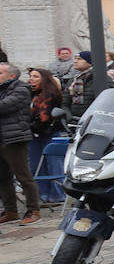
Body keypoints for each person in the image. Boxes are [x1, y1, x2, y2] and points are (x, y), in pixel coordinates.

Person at [0, 63, 41, 225]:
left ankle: (33, 210)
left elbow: (4, 106)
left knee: (23, 176)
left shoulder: (21, 89)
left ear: (11, 75)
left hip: (14, 138)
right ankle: (11, 211)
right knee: (2, 178)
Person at [27, 67, 65, 205]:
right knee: (36, 164)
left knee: (54, 163)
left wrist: (33, 125)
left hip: (48, 131)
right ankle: (42, 194)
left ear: (44, 78)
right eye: (31, 76)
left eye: (36, 76)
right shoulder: (31, 93)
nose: (32, 79)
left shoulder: (51, 93)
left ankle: (58, 194)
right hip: (33, 132)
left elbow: (45, 116)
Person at [63, 51, 97, 120]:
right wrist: (70, 118)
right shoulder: (73, 80)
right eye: (75, 59)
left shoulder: (99, 78)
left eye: (79, 59)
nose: (75, 61)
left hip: (93, 121)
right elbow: (65, 103)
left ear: (90, 62)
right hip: (75, 122)